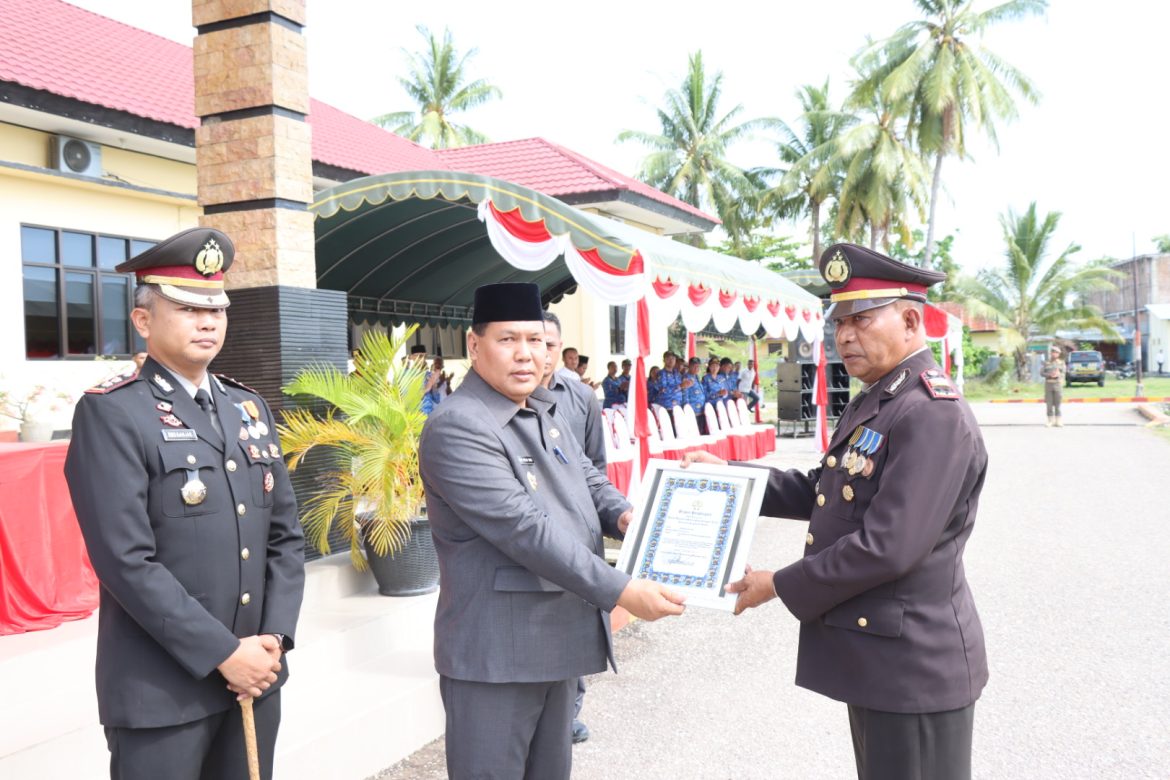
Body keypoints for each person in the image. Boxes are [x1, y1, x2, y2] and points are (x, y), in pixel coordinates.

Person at [690, 243, 988, 780]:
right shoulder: (880, 398)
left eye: (861, 320)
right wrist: (730, 475)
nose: (844, 336)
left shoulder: (929, 413)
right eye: (840, 322)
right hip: (883, 660)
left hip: (913, 666)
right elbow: (824, 490)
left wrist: (777, 584)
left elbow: (887, 547)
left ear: (911, 321)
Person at [63, 227, 305, 780]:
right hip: (163, 694)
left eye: (215, 310)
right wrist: (225, 653)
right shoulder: (113, 412)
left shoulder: (248, 407)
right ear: (143, 320)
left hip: (255, 680)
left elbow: (285, 538)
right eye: (188, 309)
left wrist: (273, 639)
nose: (207, 322)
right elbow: (125, 561)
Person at [418, 282, 685, 780]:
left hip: (556, 643)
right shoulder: (459, 426)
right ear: (474, 345)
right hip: (498, 656)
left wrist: (628, 518)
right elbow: (526, 529)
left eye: (536, 341)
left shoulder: (542, 410)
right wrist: (622, 590)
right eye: (508, 340)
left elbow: (588, 479)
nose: (526, 354)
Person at [539, 312, 610, 743]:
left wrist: (608, 513)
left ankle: (570, 708)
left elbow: (594, 463)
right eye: (534, 342)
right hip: (534, 525)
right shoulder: (508, 399)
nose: (540, 353)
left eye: (548, 344)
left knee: (578, 611)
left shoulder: (581, 396)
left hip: (575, 521)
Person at [683, 356, 708, 433]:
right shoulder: (686, 378)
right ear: (689, 366)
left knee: (701, 432)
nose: (696, 368)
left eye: (698, 366)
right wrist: (688, 410)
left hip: (701, 410)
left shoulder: (696, 377)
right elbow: (685, 395)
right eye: (694, 366)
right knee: (694, 433)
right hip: (693, 412)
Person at [1042, 345, 1065, 427]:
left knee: (1058, 404)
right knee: (1049, 404)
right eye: (1053, 352)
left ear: (1059, 354)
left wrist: (1058, 375)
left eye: (1056, 353)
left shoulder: (1061, 363)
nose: (1054, 354)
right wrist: (1049, 375)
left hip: (1058, 385)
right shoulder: (1046, 363)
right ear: (1051, 353)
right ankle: (1050, 421)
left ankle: (1058, 421)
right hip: (1049, 385)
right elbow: (1041, 373)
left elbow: (1064, 373)